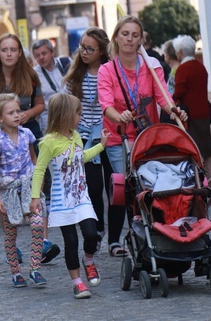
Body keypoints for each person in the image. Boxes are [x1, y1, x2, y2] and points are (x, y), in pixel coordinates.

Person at [98, 16, 187, 257]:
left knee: (152, 185)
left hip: (148, 136)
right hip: (119, 139)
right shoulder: (107, 70)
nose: (129, 39)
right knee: (127, 188)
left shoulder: (151, 66)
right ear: (116, 37)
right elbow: (106, 105)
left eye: (134, 35)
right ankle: (127, 238)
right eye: (124, 34)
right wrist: (120, 117)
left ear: (141, 39)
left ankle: (157, 232)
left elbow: (163, 97)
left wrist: (174, 110)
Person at [0, 33, 60, 263]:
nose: (9, 54)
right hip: (2, 141)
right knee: (6, 190)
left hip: (29, 136)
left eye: (13, 49)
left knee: (36, 185)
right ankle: (12, 244)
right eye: (5, 50)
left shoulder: (30, 75)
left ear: (20, 53)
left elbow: (40, 104)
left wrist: (27, 114)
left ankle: (42, 242)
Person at [31, 93, 109, 299]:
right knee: (71, 241)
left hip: (81, 197)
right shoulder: (48, 143)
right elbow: (39, 170)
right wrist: (35, 197)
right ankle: (77, 282)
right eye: (78, 114)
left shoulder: (75, 136)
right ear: (66, 115)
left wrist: (101, 145)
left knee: (92, 234)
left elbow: (80, 158)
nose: (80, 118)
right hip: (61, 201)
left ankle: (89, 260)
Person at [63, 27, 119, 255]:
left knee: (116, 187)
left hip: (110, 133)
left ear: (102, 51)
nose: (84, 52)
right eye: (81, 47)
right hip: (85, 137)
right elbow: (68, 106)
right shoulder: (76, 74)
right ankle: (98, 229)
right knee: (93, 186)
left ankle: (115, 241)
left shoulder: (110, 72)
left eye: (89, 49)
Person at [0, 93, 46, 288]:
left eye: (18, 111)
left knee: (37, 224)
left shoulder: (27, 134)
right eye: (10, 112)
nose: (16, 115)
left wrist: (39, 184)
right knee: (11, 233)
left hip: (29, 187)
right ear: (0, 118)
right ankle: (15, 271)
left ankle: (35, 268)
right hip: (9, 191)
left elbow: (34, 159)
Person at [173, 35, 211, 185]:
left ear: (180, 52)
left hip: (189, 114)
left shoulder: (182, 69)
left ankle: (199, 178)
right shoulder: (200, 66)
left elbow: (179, 92)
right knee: (207, 146)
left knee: (194, 147)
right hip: (203, 111)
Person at [31, 39, 70, 133]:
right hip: (50, 123)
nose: (41, 57)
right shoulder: (34, 74)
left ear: (52, 52)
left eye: (44, 53)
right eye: (37, 55)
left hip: (72, 117)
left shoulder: (66, 63)